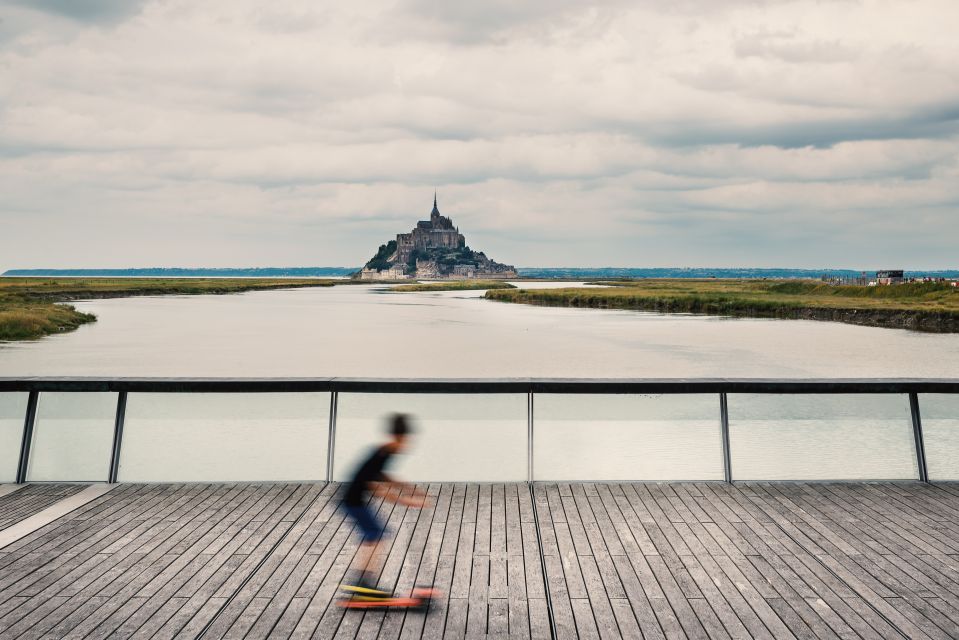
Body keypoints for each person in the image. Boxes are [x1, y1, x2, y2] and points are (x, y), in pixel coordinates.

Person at [341, 413, 430, 599]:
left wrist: (409, 489)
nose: (406, 446)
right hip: (353, 502)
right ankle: (362, 583)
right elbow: (376, 487)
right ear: (399, 437)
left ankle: (362, 581)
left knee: (375, 535)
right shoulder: (383, 453)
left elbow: (383, 476)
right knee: (376, 535)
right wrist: (407, 501)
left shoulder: (384, 451)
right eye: (405, 441)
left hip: (356, 501)